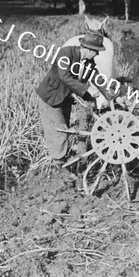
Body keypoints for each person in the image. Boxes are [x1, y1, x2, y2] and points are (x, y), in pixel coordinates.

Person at [36, 31, 117, 172]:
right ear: (88, 49)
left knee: (64, 128)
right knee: (59, 131)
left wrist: (111, 98)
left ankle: (62, 162)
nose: (97, 55)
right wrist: (87, 89)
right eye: (96, 52)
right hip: (51, 97)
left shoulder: (89, 62)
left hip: (64, 99)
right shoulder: (65, 54)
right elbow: (64, 76)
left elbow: (98, 79)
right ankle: (60, 168)